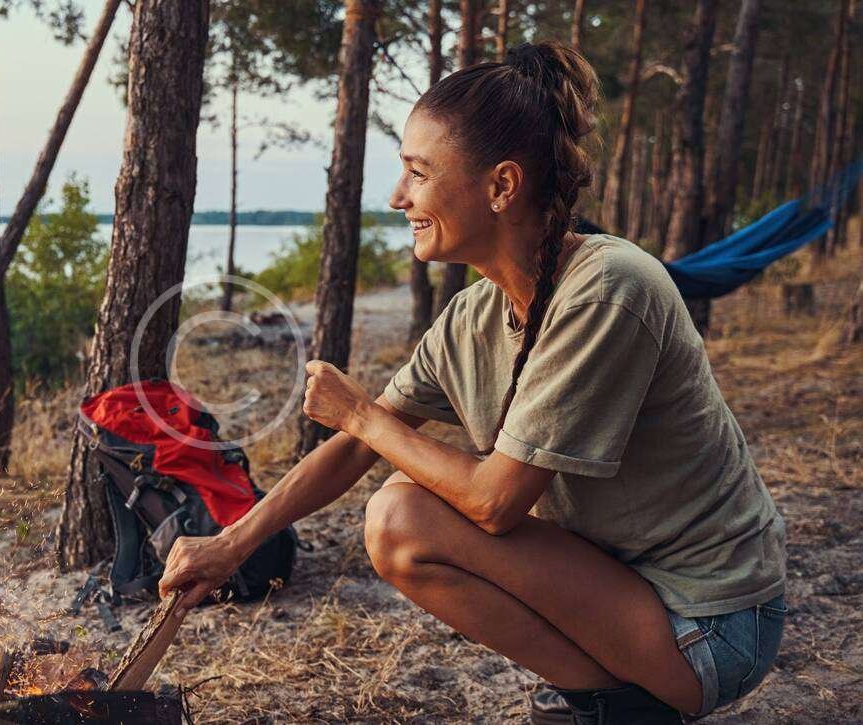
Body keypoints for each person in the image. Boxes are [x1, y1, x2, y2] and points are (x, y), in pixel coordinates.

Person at [158, 41, 787, 724]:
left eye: (418, 173)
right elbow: (356, 449)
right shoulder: (473, 316)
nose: (398, 197)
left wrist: (362, 414)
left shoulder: (608, 290)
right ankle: (608, 700)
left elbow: (494, 503)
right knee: (398, 519)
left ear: (501, 187)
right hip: (620, 591)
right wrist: (232, 544)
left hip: (710, 623)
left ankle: (621, 704)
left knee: (400, 513)